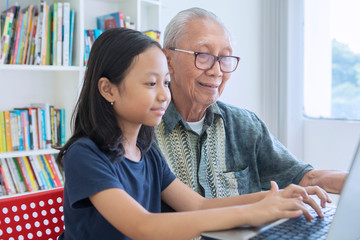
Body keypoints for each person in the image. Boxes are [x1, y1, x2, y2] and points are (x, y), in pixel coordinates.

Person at [56, 28, 330, 240]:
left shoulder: (146, 151)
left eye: (165, 82)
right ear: (108, 90)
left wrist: (273, 198)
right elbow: (143, 226)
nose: (165, 95)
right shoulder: (84, 155)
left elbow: (197, 206)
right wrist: (251, 212)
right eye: (151, 83)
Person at [154, 7, 347, 201]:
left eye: (225, 58)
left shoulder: (244, 124)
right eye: (203, 56)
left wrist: (352, 181)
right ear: (168, 60)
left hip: (249, 232)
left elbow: (303, 177)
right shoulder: (145, 129)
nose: (217, 71)